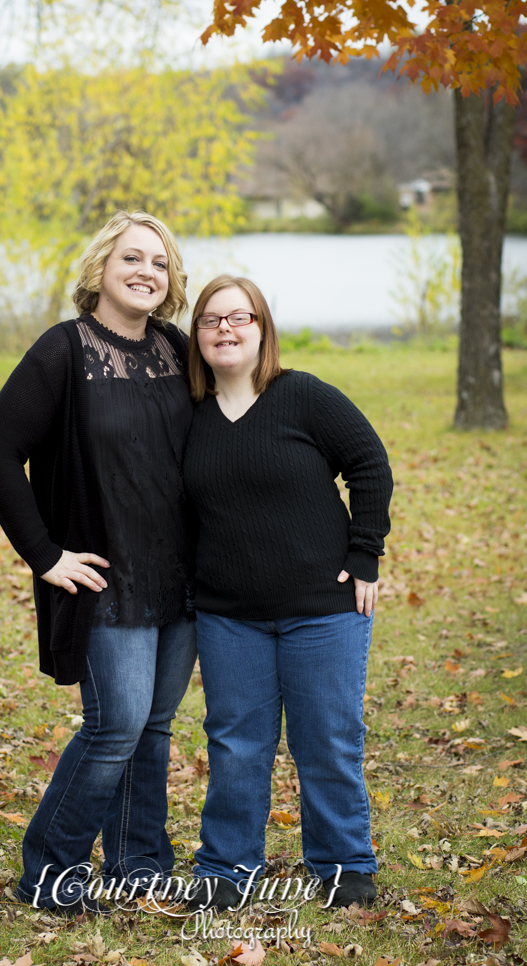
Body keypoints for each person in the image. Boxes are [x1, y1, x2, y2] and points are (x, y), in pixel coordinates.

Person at [0, 211, 198, 914]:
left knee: (155, 727)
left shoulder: (175, 348)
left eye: (159, 263)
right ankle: (50, 871)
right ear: (100, 266)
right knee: (115, 725)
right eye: (132, 258)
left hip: (182, 578)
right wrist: (44, 555)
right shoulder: (62, 350)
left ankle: (138, 865)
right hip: (107, 577)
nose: (146, 272)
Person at [182, 275, 392, 910]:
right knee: (235, 744)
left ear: (261, 328)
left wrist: (365, 553)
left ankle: (343, 864)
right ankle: (226, 870)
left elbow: (370, 464)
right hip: (228, 616)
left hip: (322, 612)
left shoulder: (300, 396)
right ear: (197, 337)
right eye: (212, 320)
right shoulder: (187, 416)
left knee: (326, 739)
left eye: (239, 318)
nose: (225, 329)